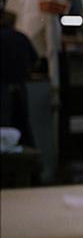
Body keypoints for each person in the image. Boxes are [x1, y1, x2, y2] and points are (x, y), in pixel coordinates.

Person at [0, 10, 39, 147]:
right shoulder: (21, 37)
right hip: (20, 89)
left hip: (3, 89)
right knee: (23, 129)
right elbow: (35, 60)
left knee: (4, 132)